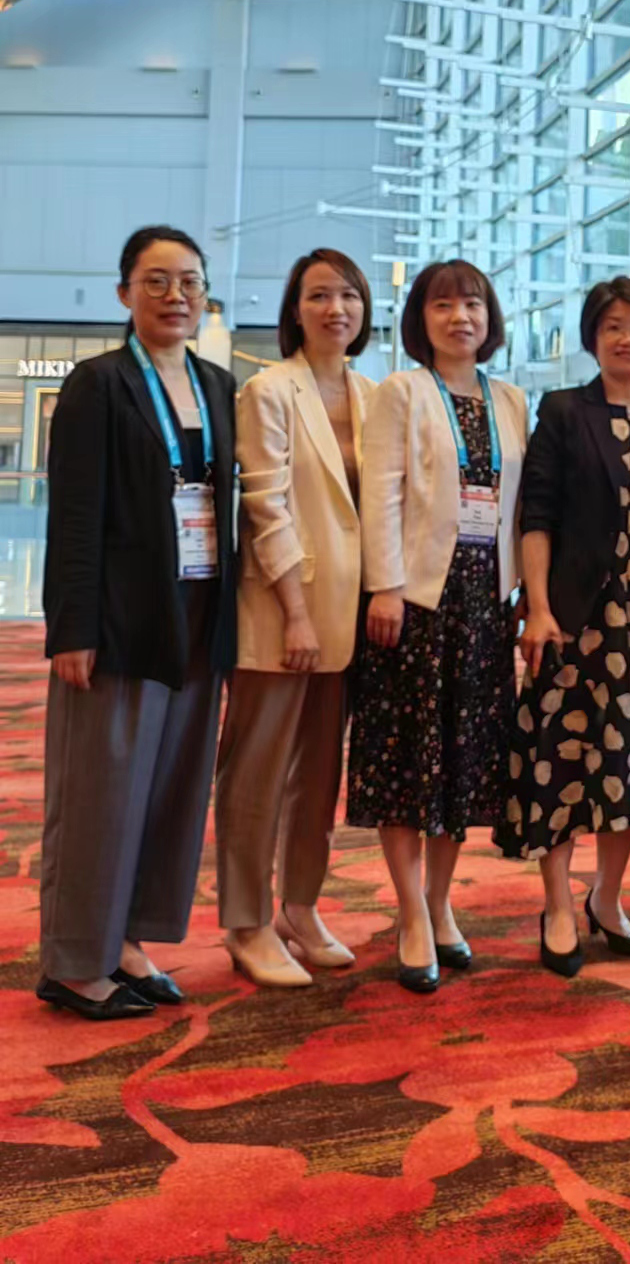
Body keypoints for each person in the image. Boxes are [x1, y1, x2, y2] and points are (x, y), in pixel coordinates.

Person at [37, 226, 237, 1020]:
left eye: (189, 281)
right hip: (121, 619)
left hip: (198, 614)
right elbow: (73, 516)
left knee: (170, 791)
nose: (174, 296)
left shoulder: (218, 385)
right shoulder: (99, 384)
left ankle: (127, 939)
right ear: (125, 292)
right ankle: (74, 962)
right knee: (101, 794)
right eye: (156, 281)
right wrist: (72, 628)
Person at [498, 278, 630, 976]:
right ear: (592, 337)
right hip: (574, 623)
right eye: (613, 326)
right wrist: (539, 607)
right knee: (560, 761)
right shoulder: (562, 411)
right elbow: (537, 515)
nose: (628, 339)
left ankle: (606, 899)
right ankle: (556, 904)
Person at [349, 261, 527, 994]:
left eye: (473, 304)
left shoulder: (511, 398)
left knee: (461, 761)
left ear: (491, 317)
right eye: (444, 305)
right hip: (417, 604)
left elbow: (518, 504)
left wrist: (523, 586)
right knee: (407, 760)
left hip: (485, 605)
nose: (461, 317)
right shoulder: (403, 391)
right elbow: (381, 494)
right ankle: (410, 910)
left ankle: (440, 899)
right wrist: (385, 587)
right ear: (421, 318)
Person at [215, 250, 375, 986]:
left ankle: (300, 907)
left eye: (348, 295)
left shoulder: (374, 395)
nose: (335, 309)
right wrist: (297, 614)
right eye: (318, 296)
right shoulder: (268, 390)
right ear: (295, 310)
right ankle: (246, 922)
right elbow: (266, 505)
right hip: (282, 612)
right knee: (256, 772)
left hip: (349, 615)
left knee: (319, 774)